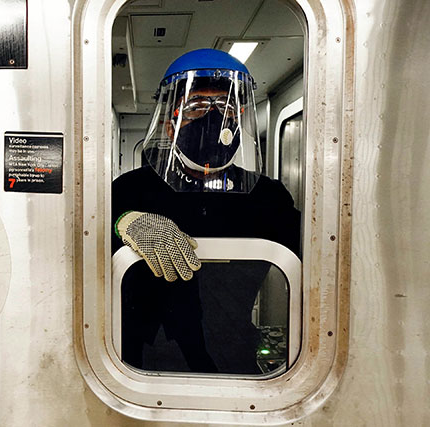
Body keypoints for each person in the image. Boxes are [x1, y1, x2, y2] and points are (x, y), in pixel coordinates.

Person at [112, 49, 300, 374]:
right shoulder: (132, 187)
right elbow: (90, 233)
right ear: (171, 126)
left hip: (230, 350)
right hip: (143, 355)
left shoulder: (266, 196)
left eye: (225, 108)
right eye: (197, 106)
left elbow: (315, 253)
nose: (211, 118)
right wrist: (124, 222)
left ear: (238, 122)